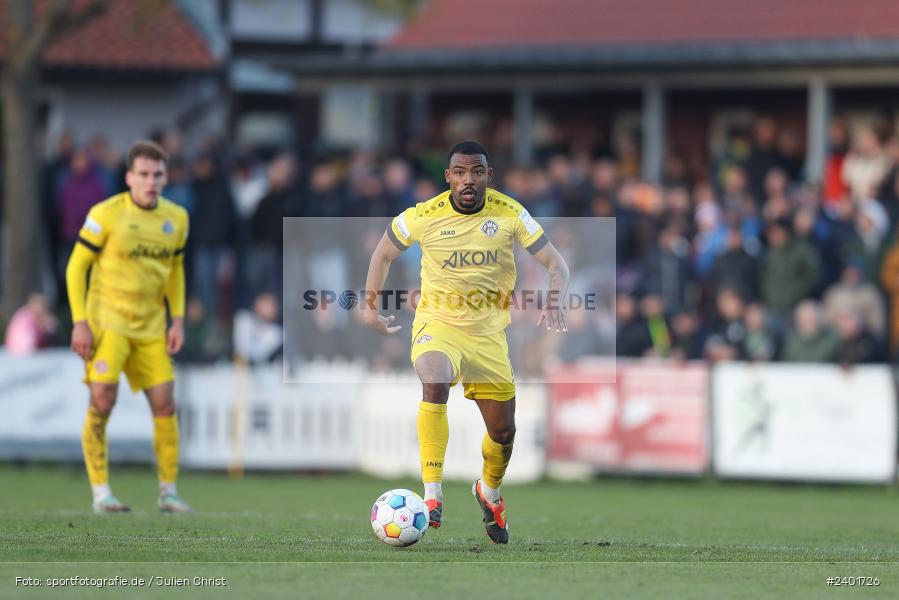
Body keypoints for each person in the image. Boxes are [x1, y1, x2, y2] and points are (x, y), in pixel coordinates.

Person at [362, 141, 569, 544]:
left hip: (489, 335)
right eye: (460, 172)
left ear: (489, 176)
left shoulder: (511, 214)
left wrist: (556, 298)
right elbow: (383, 253)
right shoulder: (424, 215)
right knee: (435, 380)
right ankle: (432, 494)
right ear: (448, 177)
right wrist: (370, 307)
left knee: (504, 432)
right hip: (438, 324)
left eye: (477, 172)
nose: (468, 180)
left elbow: (555, 262)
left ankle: (489, 493)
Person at [65, 140, 192, 514]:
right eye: (143, 175)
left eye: (157, 175)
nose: (150, 182)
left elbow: (175, 272)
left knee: (166, 404)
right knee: (103, 399)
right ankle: (101, 492)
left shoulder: (177, 218)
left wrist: (178, 319)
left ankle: (168, 491)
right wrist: (79, 323)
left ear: (166, 177)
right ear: (128, 177)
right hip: (108, 324)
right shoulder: (105, 214)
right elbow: (76, 268)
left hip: (151, 326)